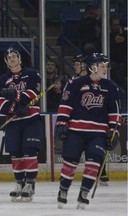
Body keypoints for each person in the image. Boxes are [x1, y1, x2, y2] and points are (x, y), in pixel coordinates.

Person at [55, 53, 121, 209]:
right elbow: (66, 104)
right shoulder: (76, 83)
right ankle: (63, 190)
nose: (105, 69)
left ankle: (83, 193)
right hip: (76, 130)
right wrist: (61, 122)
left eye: (106, 66)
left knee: (94, 163)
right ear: (93, 67)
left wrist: (114, 131)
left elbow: (114, 112)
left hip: (98, 134)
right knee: (70, 162)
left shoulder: (110, 87)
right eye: (102, 65)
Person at [0, 47, 43, 202]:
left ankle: (30, 184)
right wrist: (14, 108)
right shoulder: (2, 79)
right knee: (15, 152)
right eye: (8, 57)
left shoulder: (32, 73)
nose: (12, 59)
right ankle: (19, 183)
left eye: (14, 56)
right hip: (14, 121)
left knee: (29, 151)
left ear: (20, 58)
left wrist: (16, 96)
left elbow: (33, 93)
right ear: (5, 61)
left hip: (31, 120)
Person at [109, 15, 127, 93]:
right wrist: (114, 42)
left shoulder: (125, 34)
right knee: (114, 67)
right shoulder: (107, 35)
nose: (116, 27)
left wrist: (125, 41)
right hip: (112, 59)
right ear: (111, 25)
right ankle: (118, 88)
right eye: (114, 25)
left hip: (123, 59)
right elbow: (103, 47)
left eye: (118, 24)